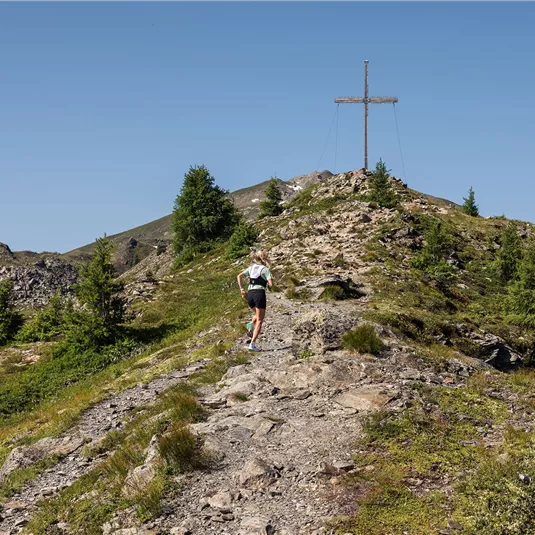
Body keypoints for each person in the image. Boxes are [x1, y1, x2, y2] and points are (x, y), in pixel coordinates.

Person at [237, 250, 273, 352]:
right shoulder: (265, 269)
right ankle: (252, 344)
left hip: (250, 295)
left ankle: (250, 324)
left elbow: (239, 276)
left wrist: (242, 289)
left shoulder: (251, 268)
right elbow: (270, 284)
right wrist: (269, 287)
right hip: (259, 294)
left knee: (257, 314)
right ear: (264, 258)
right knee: (260, 320)